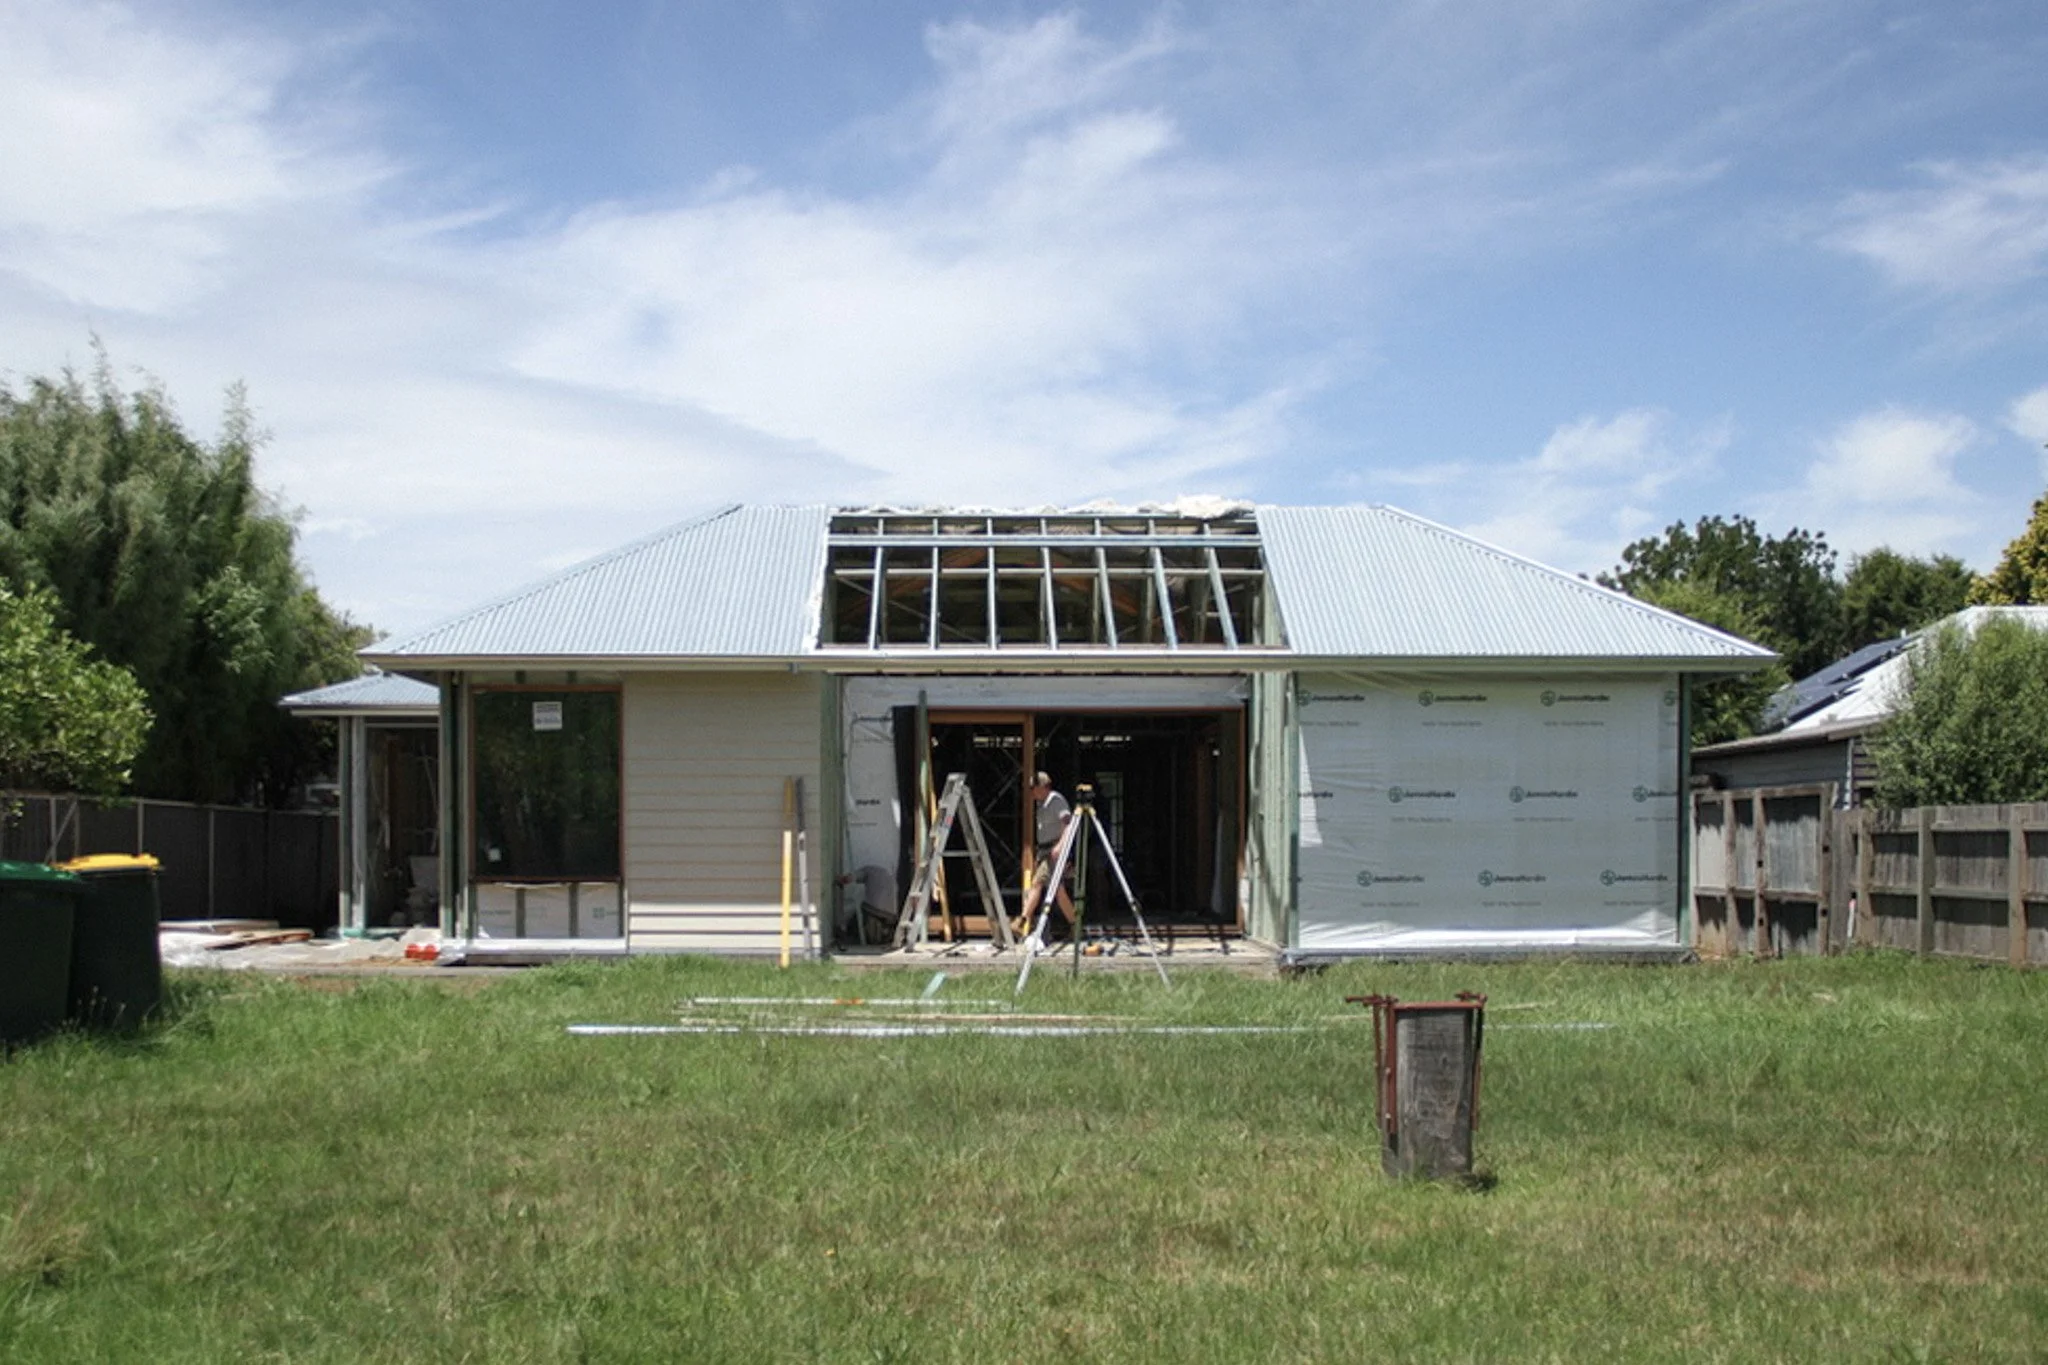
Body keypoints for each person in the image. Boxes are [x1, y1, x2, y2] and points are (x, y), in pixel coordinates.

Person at [1015, 770, 1077, 941]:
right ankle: (1075, 926)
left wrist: (1060, 846)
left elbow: (1069, 825)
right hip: (1045, 851)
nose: (1031, 791)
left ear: (1043, 787)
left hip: (1054, 851)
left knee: (1037, 884)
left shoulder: (1056, 801)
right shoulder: (1041, 804)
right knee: (1058, 891)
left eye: (1033, 787)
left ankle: (1021, 921)